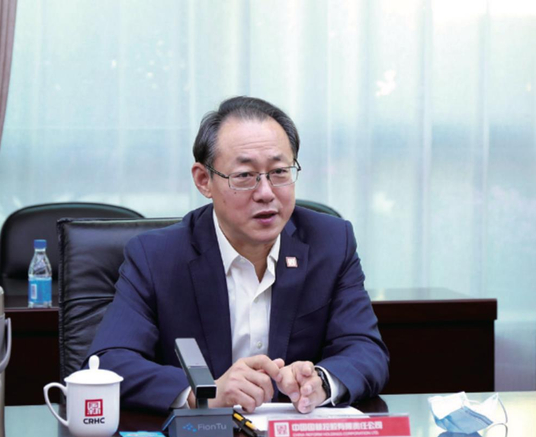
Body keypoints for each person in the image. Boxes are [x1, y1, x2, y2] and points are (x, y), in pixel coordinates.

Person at [87, 96, 389, 414]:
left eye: (279, 172)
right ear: (204, 180)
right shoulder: (156, 257)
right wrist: (204, 393)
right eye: (245, 175)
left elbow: (365, 350)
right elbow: (109, 362)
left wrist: (320, 382)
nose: (266, 193)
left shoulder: (331, 243)